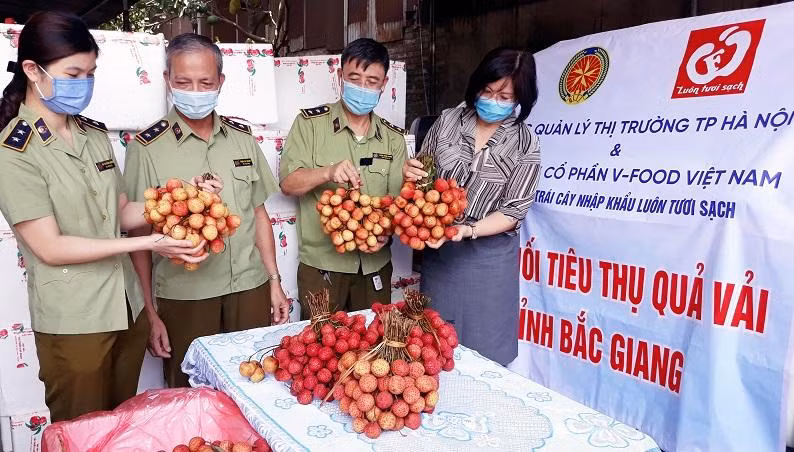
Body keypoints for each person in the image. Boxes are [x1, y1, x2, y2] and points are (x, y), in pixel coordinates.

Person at [0, 12, 206, 421]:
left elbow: (122, 212)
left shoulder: (93, 135)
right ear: (32, 70)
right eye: (73, 73)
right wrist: (151, 241)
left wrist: (182, 194)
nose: (84, 84)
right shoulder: (14, 150)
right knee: (80, 433)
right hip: (76, 320)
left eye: (90, 73)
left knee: (119, 429)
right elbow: (51, 247)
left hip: (125, 309)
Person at [123, 33, 289, 388]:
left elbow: (258, 214)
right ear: (168, 80)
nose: (195, 91)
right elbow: (138, 236)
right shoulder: (147, 148)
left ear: (221, 82)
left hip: (249, 288)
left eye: (205, 82)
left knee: (253, 387)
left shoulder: (243, 139)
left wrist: (274, 281)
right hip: (186, 296)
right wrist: (150, 314)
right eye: (184, 82)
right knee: (190, 397)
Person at [403, 47, 541, 366]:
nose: (493, 100)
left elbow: (513, 210)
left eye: (505, 97)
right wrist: (412, 174)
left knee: (484, 355)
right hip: (442, 255)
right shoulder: (449, 121)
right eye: (488, 90)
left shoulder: (524, 142)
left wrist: (467, 230)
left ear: (521, 98)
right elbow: (425, 177)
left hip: (489, 263)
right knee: (433, 347)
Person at [280, 38, 406, 318]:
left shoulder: (393, 139)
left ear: (384, 84)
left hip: (374, 267)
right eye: (354, 78)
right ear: (340, 77)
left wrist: (386, 233)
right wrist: (327, 172)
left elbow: (399, 205)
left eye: (372, 81)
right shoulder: (310, 125)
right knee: (319, 350)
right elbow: (288, 183)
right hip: (323, 266)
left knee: (374, 352)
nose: (362, 87)